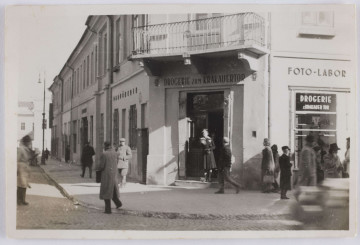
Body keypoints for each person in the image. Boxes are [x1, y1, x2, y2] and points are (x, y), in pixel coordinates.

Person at [96, 141, 122, 214]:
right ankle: (118, 203)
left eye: (104, 146)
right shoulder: (115, 153)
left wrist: (97, 168)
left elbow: (101, 166)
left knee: (106, 191)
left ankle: (108, 210)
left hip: (106, 175)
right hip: (114, 174)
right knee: (113, 190)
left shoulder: (104, 154)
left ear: (105, 146)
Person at [17, 135, 32, 205]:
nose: (30, 143)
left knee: (25, 184)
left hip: (25, 167)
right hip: (21, 166)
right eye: (29, 142)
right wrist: (17, 169)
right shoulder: (21, 148)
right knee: (21, 184)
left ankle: (23, 200)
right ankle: (19, 200)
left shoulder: (26, 148)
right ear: (26, 142)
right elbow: (18, 158)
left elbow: (28, 158)